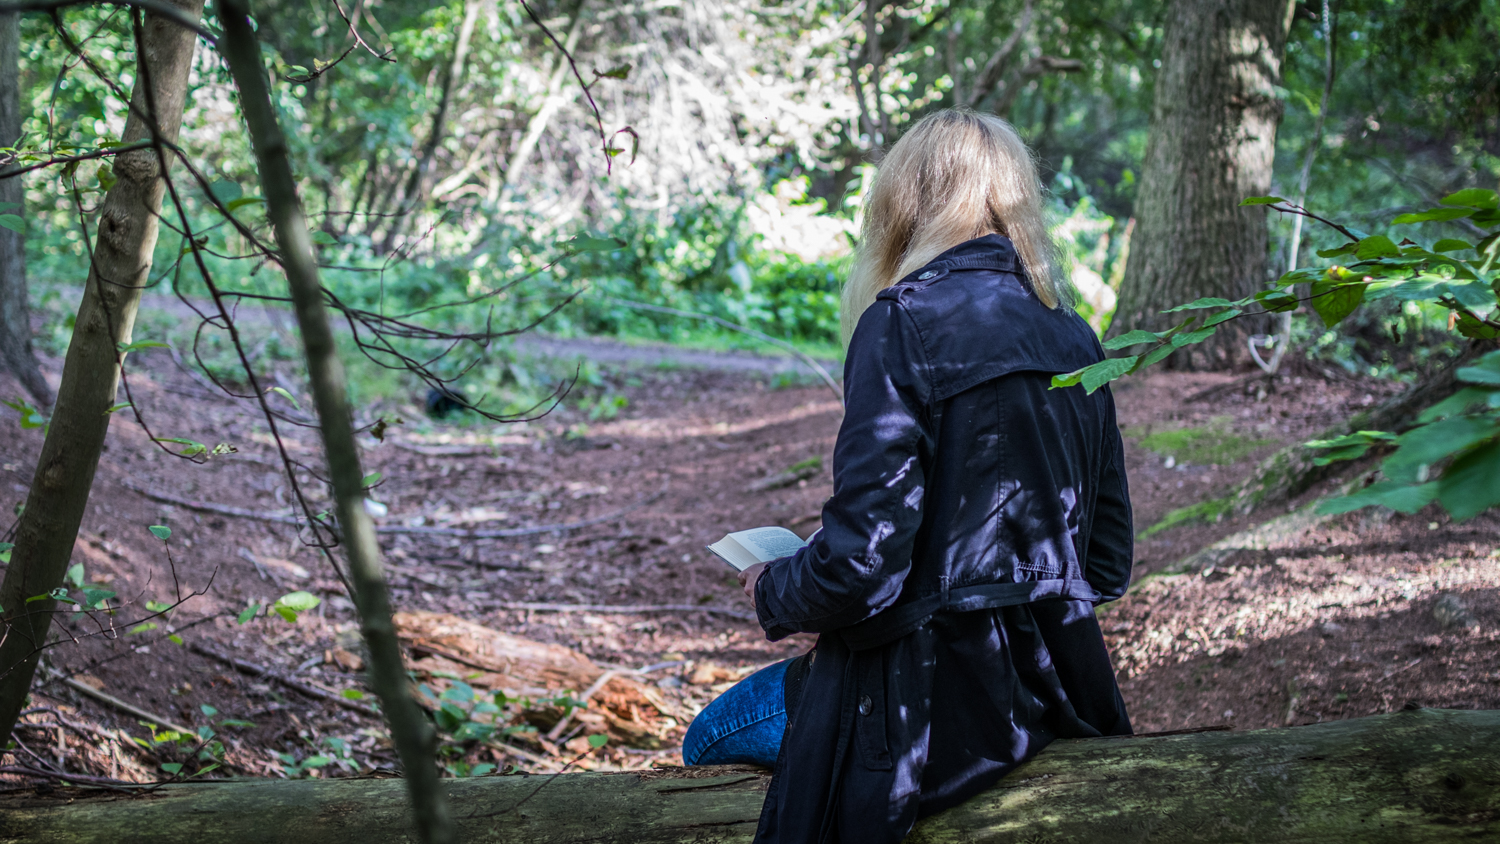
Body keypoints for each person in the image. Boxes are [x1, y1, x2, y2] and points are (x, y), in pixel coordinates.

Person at [682, 108, 1135, 844]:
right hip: (1061, 691)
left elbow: (863, 564)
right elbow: (1107, 561)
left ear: (902, 202)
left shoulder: (901, 321)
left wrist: (775, 585)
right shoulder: (1072, 332)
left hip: (926, 708)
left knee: (707, 737)